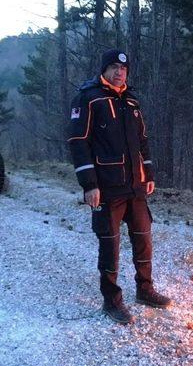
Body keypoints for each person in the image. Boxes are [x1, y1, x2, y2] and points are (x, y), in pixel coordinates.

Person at [68, 49, 172, 324]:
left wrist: (148, 173)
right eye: (113, 67)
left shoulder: (132, 101)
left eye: (123, 69)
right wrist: (89, 184)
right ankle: (112, 301)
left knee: (143, 240)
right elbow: (78, 142)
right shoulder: (89, 98)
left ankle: (145, 290)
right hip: (106, 188)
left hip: (135, 187)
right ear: (104, 69)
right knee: (110, 245)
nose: (119, 72)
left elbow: (143, 140)